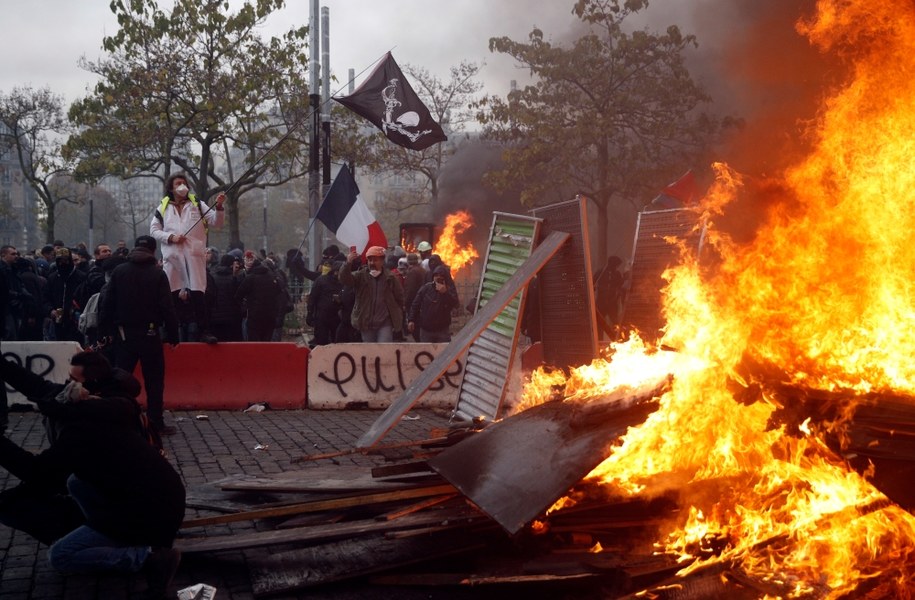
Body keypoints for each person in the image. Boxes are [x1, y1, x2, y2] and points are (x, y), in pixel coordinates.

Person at [0, 352, 185, 598]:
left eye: (74, 382)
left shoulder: (87, 426)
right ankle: (104, 532)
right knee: (75, 482)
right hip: (146, 497)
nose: (68, 386)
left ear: (90, 389)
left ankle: (148, 557)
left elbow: (39, 473)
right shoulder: (94, 405)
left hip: (150, 512)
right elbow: (36, 385)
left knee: (60, 556)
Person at [99, 235, 180, 436]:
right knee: (154, 380)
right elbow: (167, 308)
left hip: (124, 335)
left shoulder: (119, 271)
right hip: (150, 334)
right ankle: (155, 422)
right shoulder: (157, 274)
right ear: (153, 251)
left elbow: (107, 305)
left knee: (119, 379)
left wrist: (104, 332)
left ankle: (116, 421)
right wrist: (173, 334)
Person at [149, 172, 225, 345]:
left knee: (198, 295)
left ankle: (204, 332)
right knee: (171, 297)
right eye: (178, 183)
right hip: (173, 258)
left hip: (193, 256)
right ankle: (169, 333)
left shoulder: (197, 204)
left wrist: (219, 207)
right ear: (171, 187)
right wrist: (171, 237)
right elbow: (153, 230)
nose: (182, 186)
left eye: (184, 183)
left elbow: (216, 222)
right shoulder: (163, 207)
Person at [338, 246, 404, 343]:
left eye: (375, 260)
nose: (372, 263)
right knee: (369, 352)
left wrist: (397, 313)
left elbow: (399, 297)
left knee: (384, 350)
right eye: (370, 260)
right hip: (366, 322)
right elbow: (344, 279)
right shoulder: (360, 276)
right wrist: (347, 263)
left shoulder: (390, 278)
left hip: (385, 323)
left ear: (382, 261)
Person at [234, 258, 284, 342]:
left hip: (254, 315)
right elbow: (279, 292)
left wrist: (244, 308)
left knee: (254, 342)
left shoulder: (250, 278)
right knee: (267, 341)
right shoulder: (272, 277)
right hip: (270, 315)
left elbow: (238, 295)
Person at [408, 265, 460, 343]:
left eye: (441, 276)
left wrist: (445, 293)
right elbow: (415, 304)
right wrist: (411, 320)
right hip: (426, 329)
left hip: (442, 330)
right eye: (436, 275)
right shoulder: (426, 288)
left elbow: (455, 304)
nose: (438, 277)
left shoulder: (449, 289)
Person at [45, 248, 87, 344]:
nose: (63, 263)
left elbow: (86, 298)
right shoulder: (52, 278)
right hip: (57, 321)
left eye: (66, 260)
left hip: (76, 321)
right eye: (60, 261)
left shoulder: (81, 277)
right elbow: (45, 298)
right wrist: (50, 310)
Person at [306, 260, 343, 347]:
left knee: (336, 342)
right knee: (321, 342)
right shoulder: (321, 280)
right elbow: (313, 298)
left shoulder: (344, 282)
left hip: (337, 317)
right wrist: (310, 313)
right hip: (322, 316)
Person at [209, 254, 244, 342]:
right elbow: (238, 296)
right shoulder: (233, 279)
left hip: (214, 318)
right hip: (232, 319)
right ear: (231, 265)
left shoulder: (212, 276)